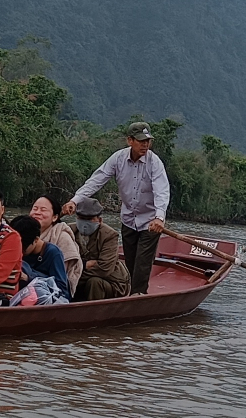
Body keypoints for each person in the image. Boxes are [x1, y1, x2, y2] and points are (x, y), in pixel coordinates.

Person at [71, 121, 171, 293]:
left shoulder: (154, 162)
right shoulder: (118, 159)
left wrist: (159, 217)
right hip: (129, 219)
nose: (145, 145)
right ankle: (125, 292)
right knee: (130, 261)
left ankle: (138, 296)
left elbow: (161, 190)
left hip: (150, 221)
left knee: (142, 263)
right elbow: (97, 179)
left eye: (148, 141)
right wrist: (75, 200)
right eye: (141, 141)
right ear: (130, 141)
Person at [70, 196, 129, 300]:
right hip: (82, 277)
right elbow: (64, 260)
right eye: (81, 218)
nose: (84, 222)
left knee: (94, 282)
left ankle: (93, 314)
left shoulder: (109, 235)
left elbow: (104, 269)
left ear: (99, 220)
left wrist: (74, 273)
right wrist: (84, 264)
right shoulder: (69, 230)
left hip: (112, 281)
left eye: (89, 219)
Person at [28, 193, 83, 292]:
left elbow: (61, 274)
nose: (37, 212)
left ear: (54, 217)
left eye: (43, 210)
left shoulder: (62, 237)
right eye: (35, 209)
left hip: (54, 289)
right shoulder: (24, 232)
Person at [9, 214, 73, 298]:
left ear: (36, 240)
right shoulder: (13, 250)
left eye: (23, 250)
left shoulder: (53, 253)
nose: (19, 253)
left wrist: (29, 278)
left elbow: (62, 289)